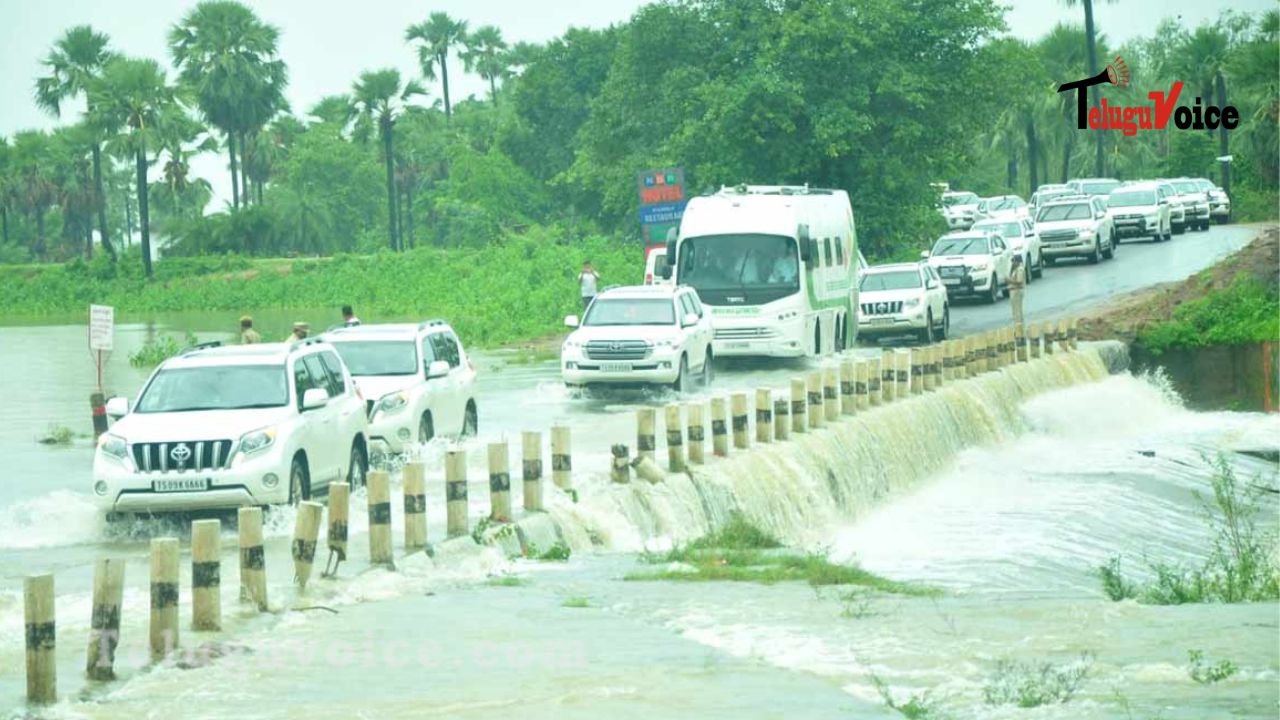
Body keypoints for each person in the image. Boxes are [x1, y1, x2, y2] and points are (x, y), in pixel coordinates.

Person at [1008, 254, 1027, 329]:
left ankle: (1019, 328)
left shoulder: (1020, 269)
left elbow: (1019, 281)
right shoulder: (1015, 269)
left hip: (1017, 291)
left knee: (1017, 312)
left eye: (1014, 261)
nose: (1012, 263)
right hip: (1014, 291)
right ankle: (1019, 327)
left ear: (1018, 262)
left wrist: (1009, 280)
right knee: (1015, 311)